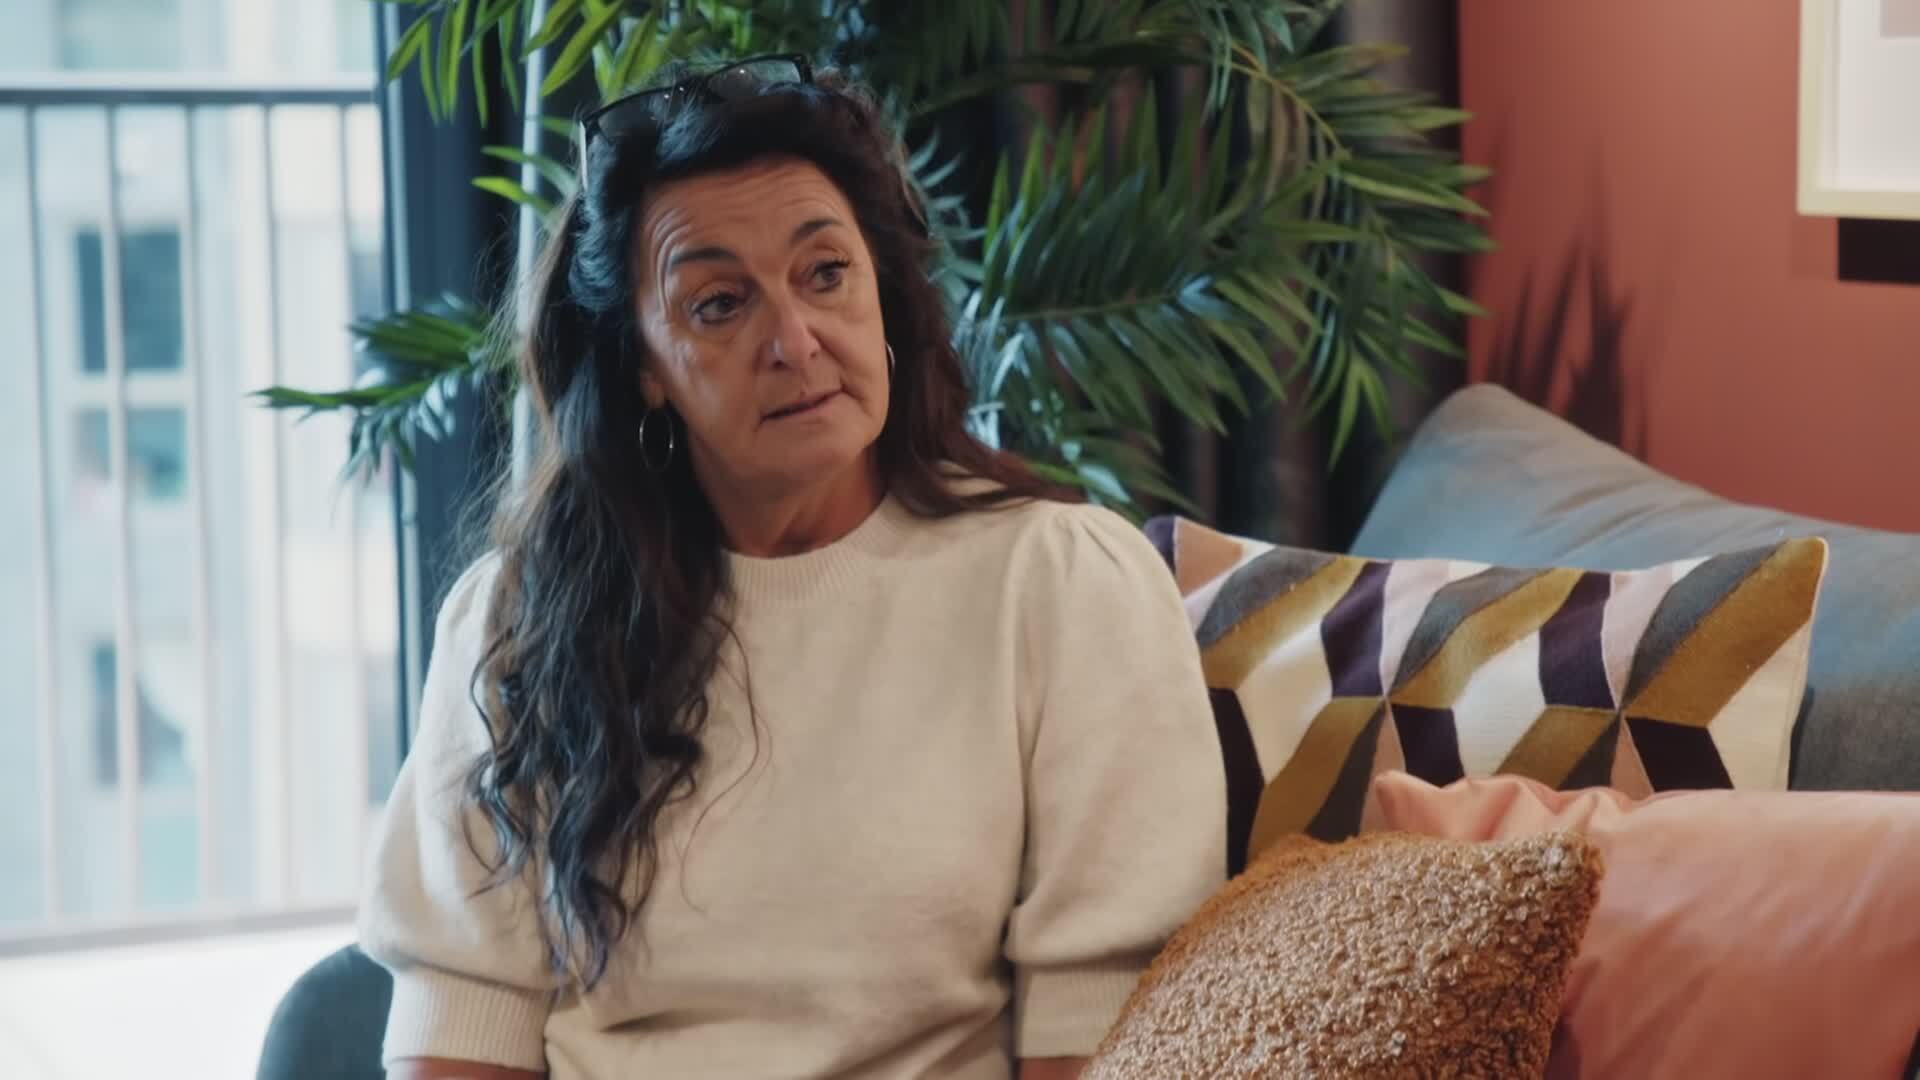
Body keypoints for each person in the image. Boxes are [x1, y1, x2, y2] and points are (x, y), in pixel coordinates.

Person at [356, 52, 1226, 1080]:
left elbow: (1108, 1039)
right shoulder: (519, 620)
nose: (796, 341)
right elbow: (460, 1032)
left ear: (883, 292)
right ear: (644, 367)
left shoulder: (1063, 588)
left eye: (825, 274)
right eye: (720, 304)